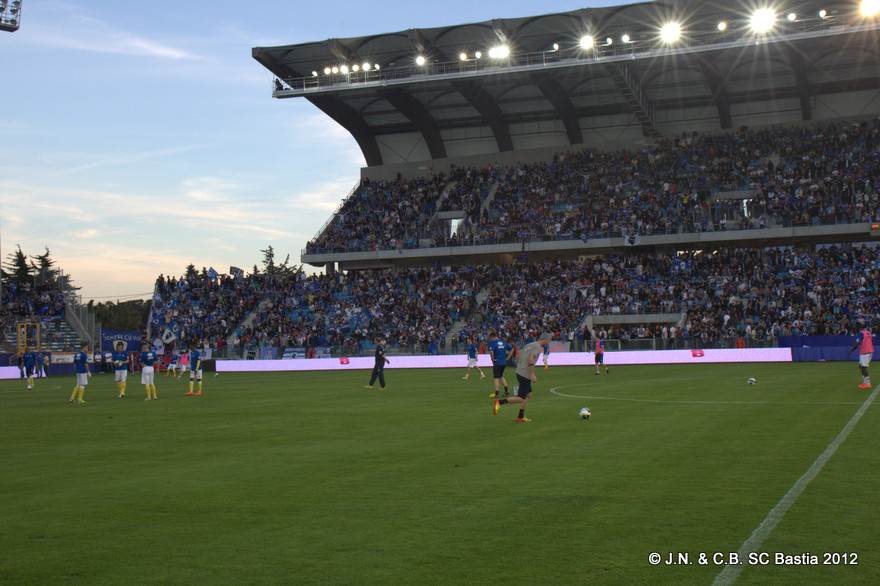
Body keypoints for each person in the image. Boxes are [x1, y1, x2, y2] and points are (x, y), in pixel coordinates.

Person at [493, 332, 551, 423]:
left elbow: (520, 354)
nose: (549, 342)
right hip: (525, 374)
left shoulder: (530, 344)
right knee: (521, 398)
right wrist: (532, 374)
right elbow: (530, 359)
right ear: (545, 339)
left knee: (528, 394)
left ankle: (520, 416)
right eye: (549, 340)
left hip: (520, 371)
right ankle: (499, 402)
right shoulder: (537, 347)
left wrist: (520, 366)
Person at [849, 321, 874, 390]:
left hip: (865, 352)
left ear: (859, 327)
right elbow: (872, 341)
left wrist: (851, 351)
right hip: (869, 351)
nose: (856, 327)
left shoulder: (860, 334)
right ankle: (864, 382)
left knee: (864, 367)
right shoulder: (868, 332)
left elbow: (857, 343)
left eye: (857, 326)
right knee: (861, 366)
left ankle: (867, 383)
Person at [487, 330, 512, 399]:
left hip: (497, 362)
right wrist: (507, 358)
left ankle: (496, 394)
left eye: (490, 338)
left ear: (492, 336)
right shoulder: (503, 342)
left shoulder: (493, 343)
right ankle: (506, 392)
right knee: (501, 376)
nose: (490, 339)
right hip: (503, 362)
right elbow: (511, 349)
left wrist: (492, 360)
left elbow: (491, 352)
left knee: (496, 378)